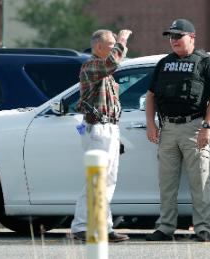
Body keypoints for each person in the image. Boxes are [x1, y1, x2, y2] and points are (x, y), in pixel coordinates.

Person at [145, 19, 210, 242]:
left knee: (200, 181)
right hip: (167, 128)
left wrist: (207, 126)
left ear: (192, 37)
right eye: (171, 36)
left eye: (178, 36)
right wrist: (151, 124)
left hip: (194, 127)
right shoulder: (163, 63)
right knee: (166, 184)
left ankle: (202, 230)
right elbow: (150, 95)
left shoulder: (205, 63)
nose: (173, 40)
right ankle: (165, 227)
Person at [71, 29, 132, 242]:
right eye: (112, 43)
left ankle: (104, 227)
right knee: (97, 179)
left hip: (109, 129)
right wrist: (123, 40)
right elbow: (112, 63)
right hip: (97, 129)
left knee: (108, 180)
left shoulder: (104, 72)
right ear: (99, 47)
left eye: (117, 43)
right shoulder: (91, 65)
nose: (116, 46)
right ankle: (81, 226)